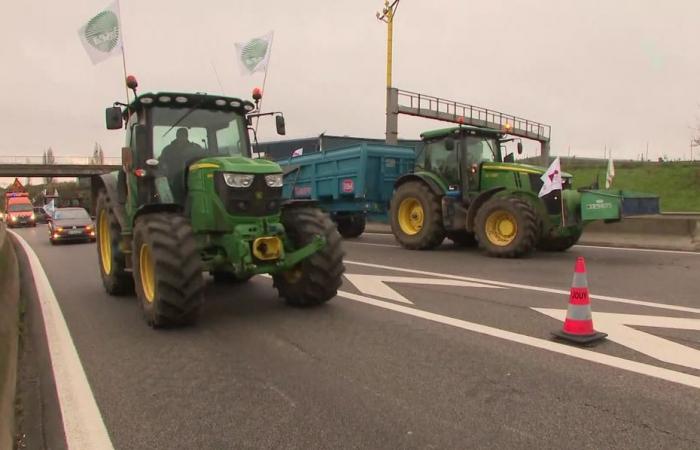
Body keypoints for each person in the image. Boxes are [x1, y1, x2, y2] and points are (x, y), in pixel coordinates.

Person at [158, 128, 203, 204]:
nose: (182, 137)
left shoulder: (196, 148)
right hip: (173, 180)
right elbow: (161, 164)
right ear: (177, 136)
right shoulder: (168, 150)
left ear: (187, 136)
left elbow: (202, 160)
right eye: (180, 135)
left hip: (193, 178)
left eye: (184, 135)